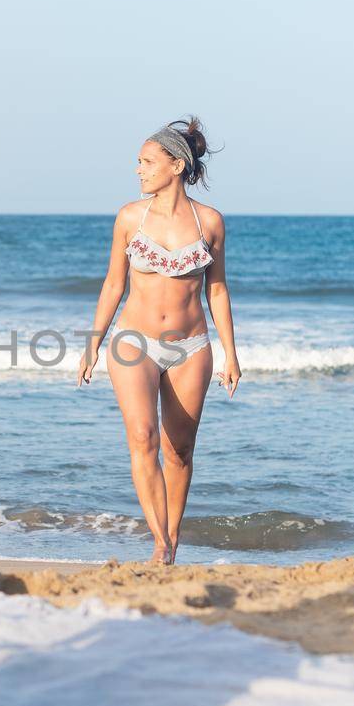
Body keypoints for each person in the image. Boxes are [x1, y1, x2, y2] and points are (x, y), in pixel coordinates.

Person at [75, 117, 241, 565]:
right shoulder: (130, 218)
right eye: (138, 162)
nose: (139, 170)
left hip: (191, 347)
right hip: (133, 341)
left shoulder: (211, 223)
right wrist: (94, 341)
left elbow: (218, 290)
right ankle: (160, 544)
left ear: (177, 165)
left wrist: (230, 353)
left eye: (147, 162)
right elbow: (113, 285)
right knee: (143, 436)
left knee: (180, 450)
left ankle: (173, 540)